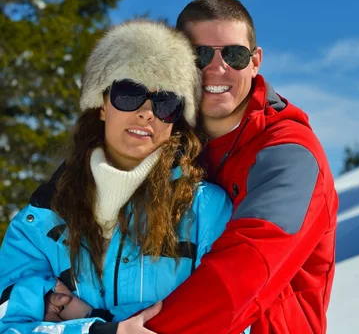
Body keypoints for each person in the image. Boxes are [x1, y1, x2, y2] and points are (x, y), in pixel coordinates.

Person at [44, 0, 339, 334]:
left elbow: (245, 274)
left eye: (234, 54)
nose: (217, 68)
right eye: (200, 55)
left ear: (255, 61)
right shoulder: (164, 136)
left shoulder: (289, 155)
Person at [0, 20, 243, 334]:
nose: (146, 112)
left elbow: (231, 321)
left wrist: (85, 316)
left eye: (165, 103)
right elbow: (9, 325)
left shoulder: (206, 210)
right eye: (129, 93)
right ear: (102, 103)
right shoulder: (41, 221)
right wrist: (101, 330)